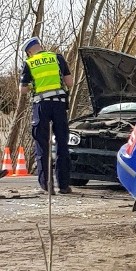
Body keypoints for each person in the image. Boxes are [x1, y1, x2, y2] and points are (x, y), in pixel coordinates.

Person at [19, 37, 74, 194]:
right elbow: (69, 83)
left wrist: (33, 85)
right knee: (62, 144)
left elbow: (22, 90)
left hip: (41, 106)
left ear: (29, 52)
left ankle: (47, 185)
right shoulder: (57, 58)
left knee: (42, 144)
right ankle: (63, 185)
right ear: (40, 46)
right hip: (59, 104)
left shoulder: (29, 63)